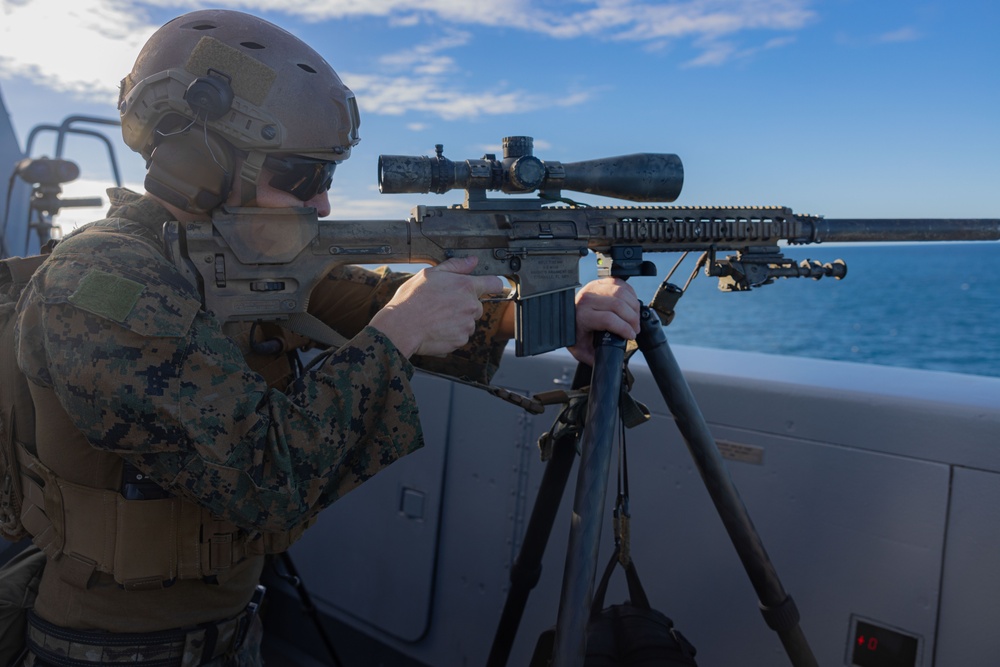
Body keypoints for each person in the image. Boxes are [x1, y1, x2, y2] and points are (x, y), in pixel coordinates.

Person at [11, 9, 640, 666]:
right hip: (109, 650)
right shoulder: (101, 284)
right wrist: (397, 335)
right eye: (301, 177)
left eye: (327, 177)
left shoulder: (241, 258)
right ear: (201, 161)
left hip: (228, 634)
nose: (323, 205)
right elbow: (264, 477)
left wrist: (546, 314)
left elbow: (362, 297)